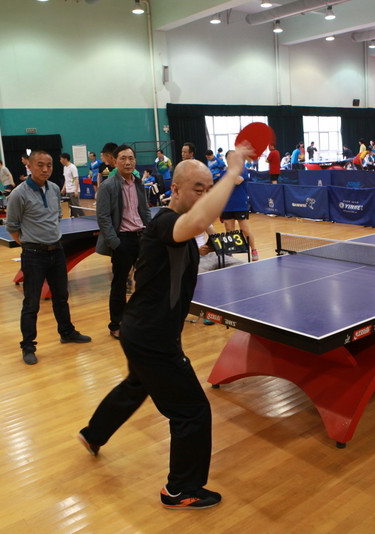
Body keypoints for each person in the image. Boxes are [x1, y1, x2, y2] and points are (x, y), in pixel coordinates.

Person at [77, 146, 253, 510]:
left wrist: (205, 248)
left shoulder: (178, 230)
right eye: (198, 189)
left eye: (208, 189)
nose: (204, 196)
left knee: (137, 384)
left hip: (140, 329)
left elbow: (187, 242)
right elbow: (197, 222)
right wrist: (232, 170)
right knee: (192, 411)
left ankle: (94, 433)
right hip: (153, 337)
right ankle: (180, 489)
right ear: (174, 189)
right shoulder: (164, 223)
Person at [5, 150, 91, 365]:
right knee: (31, 303)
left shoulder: (53, 189)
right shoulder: (18, 194)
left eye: (49, 165)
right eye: (40, 165)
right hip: (33, 254)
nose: (45, 169)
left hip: (57, 251)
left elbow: (57, 217)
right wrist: (29, 244)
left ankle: (67, 332)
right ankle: (28, 346)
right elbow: (12, 227)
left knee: (61, 297)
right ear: (30, 166)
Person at [95, 144, 152, 339]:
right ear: (115, 161)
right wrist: (115, 243)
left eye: (131, 158)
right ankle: (116, 324)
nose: (128, 162)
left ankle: (140, 320)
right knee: (119, 284)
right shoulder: (107, 186)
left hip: (141, 237)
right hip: (122, 240)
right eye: (123, 158)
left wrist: (150, 233)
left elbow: (144, 211)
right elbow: (103, 218)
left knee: (144, 282)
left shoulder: (138, 183)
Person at [220, 149, 258, 261]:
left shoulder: (242, 170)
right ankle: (229, 252)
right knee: (229, 230)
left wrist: (229, 178)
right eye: (229, 158)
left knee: (245, 230)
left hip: (240, 204)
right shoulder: (223, 173)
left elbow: (237, 181)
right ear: (226, 160)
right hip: (227, 205)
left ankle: (254, 249)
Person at [60, 153, 82, 217]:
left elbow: (76, 178)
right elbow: (66, 179)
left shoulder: (72, 167)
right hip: (68, 190)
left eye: (61, 159)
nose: (60, 160)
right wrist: (63, 188)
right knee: (70, 206)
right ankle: (73, 218)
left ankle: (83, 217)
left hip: (73, 190)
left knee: (76, 206)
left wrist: (76, 190)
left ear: (65, 159)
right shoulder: (65, 168)